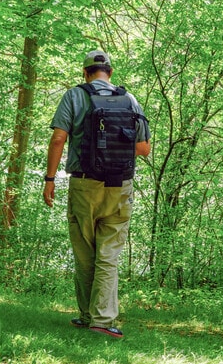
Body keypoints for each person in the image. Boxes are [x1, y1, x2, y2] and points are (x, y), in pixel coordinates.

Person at [43, 50, 151, 338]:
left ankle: (87, 315)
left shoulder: (75, 96)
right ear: (110, 72)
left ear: (85, 73)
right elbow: (143, 149)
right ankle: (101, 320)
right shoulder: (129, 100)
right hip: (120, 186)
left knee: (84, 250)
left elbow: (58, 138)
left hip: (84, 184)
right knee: (109, 253)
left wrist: (50, 179)